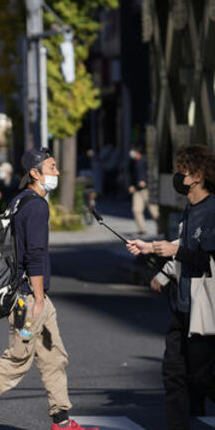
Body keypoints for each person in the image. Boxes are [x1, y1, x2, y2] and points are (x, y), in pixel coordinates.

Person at [0, 148, 97, 430]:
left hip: (35, 297)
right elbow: (34, 254)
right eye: (51, 168)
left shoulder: (20, 201)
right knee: (17, 360)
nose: (57, 173)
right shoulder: (36, 206)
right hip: (29, 298)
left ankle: (61, 421)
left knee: (54, 356)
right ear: (35, 174)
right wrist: (38, 298)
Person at [127, 144, 215, 429]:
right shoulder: (190, 208)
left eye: (182, 172)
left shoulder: (212, 210)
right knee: (173, 373)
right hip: (182, 305)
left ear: (198, 175)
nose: (178, 177)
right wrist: (148, 247)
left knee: (203, 377)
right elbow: (180, 246)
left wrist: (173, 252)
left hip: (204, 309)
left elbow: (206, 259)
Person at [128, 145, 159, 235]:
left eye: (133, 151)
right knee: (136, 210)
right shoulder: (132, 162)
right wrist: (131, 185)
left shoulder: (145, 161)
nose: (132, 153)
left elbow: (152, 174)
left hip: (147, 189)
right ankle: (142, 229)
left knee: (154, 211)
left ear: (138, 152)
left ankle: (161, 228)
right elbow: (131, 175)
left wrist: (146, 181)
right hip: (137, 190)